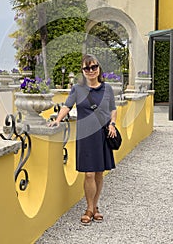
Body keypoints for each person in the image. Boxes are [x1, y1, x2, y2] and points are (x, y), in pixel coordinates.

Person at [48, 54, 117, 225]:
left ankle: (95, 207)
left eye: (94, 67)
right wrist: (57, 120)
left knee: (99, 172)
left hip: (102, 133)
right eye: (87, 68)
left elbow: (112, 109)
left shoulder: (107, 89)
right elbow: (67, 106)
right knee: (89, 174)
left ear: (99, 69)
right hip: (86, 136)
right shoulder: (78, 89)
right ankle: (89, 207)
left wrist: (113, 124)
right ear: (83, 71)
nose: (91, 71)